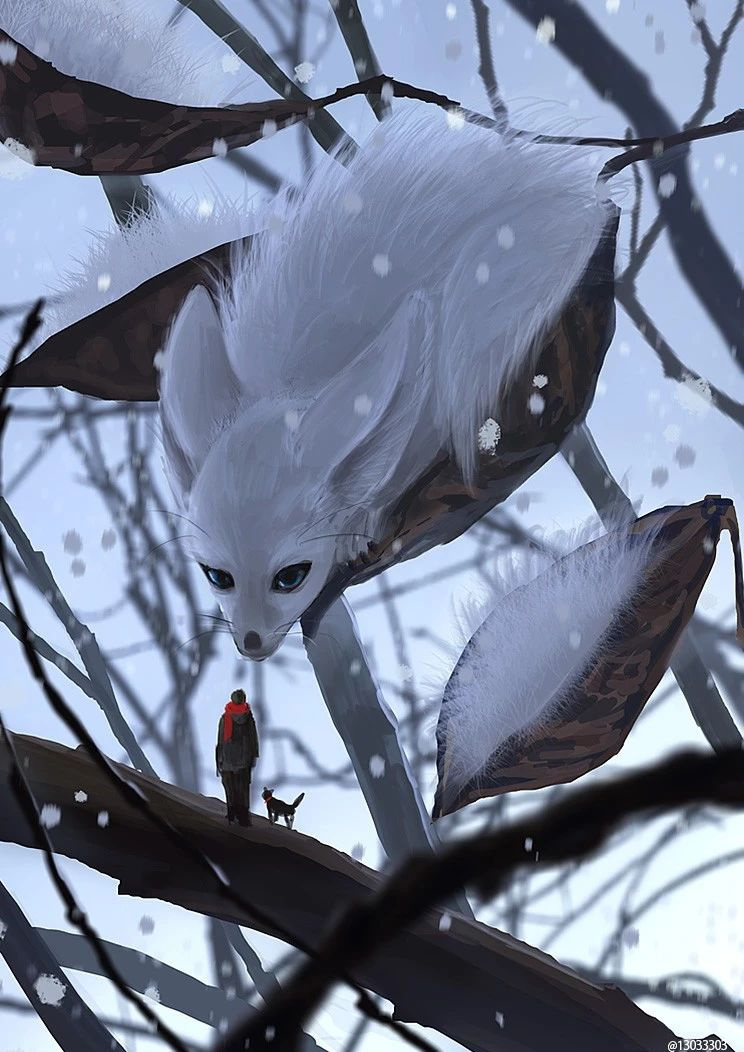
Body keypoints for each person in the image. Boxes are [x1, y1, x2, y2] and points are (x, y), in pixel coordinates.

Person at [215, 688, 259, 826]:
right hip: (244, 760)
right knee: (243, 790)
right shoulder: (248, 718)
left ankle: (232, 815)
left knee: (230, 789)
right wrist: (254, 756)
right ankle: (244, 818)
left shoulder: (225, 717)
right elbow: (253, 739)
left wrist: (218, 761)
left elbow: (220, 740)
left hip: (227, 760)